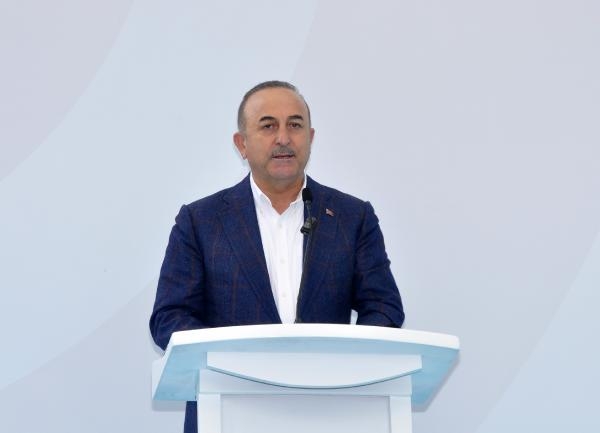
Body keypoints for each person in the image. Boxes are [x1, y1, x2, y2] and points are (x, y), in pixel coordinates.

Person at [149, 80, 405, 433]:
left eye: (294, 125)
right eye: (268, 126)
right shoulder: (200, 221)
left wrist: (344, 363)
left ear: (310, 138)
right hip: (225, 409)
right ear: (242, 144)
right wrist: (233, 362)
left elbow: (385, 308)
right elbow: (169, 318)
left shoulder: (352, 217)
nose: (283, 138)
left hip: (332, 411)